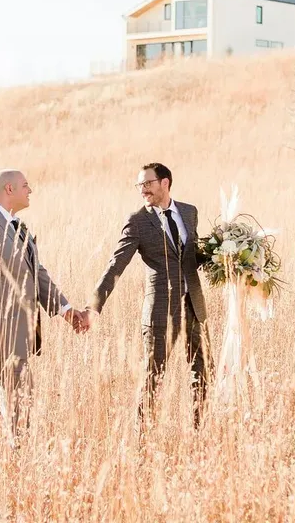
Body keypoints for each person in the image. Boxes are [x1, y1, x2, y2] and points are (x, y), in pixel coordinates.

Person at [0, 169, 85, 452]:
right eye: (25, 186)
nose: (30, 190)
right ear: (8, 189)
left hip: (10, 332)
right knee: (20, 397)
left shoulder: (13, 225)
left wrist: (66, 310)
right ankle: (19, 457)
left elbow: (36, 274)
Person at [85, 162, 212, 432]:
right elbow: (116, 265)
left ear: (165, 183)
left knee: (203, 372)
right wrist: (94, 306)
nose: (142, 190)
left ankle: (202, 433)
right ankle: (142, 441)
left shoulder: (189, 212)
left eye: (148, 184)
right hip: (160, 313)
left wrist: (225, 255)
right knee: (154, 378)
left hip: (194, 307)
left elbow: (191, 256)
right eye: (139, 185)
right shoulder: (138, 222)